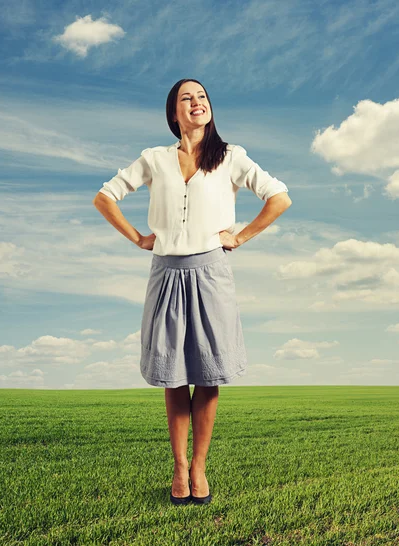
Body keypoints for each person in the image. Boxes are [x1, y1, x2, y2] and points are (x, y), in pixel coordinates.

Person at [93, 78, 292, 506]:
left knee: (208, 372)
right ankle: (179, 466)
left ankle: (200, 466)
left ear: (210, 109)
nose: (196, 103)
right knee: (172, 374)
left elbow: (279, 198)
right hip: (165, 272)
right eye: (187, 98)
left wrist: (239, 236)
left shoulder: (231, 157)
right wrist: (136, 237)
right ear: (174, 113)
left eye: (202, 97)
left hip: (211, 272)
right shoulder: (154, 159)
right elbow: (105, 197)